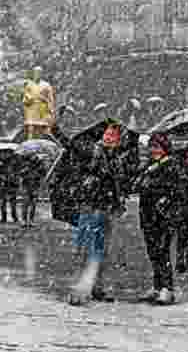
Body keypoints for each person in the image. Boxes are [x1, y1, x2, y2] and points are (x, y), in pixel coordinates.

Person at [50, 121, 132, 304]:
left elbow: (121, 183)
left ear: (119, 140)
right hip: (91, 206)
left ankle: (98, 287)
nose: (109, 137)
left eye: (113, 135)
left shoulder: (119, 159)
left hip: (109, 208)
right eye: (107, 134)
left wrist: (120, 200)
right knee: (87, 249)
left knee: (104, 251)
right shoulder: (92, 152)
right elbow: (71, 146)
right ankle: (78, 289)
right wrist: (57, 131)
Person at [136, 133, 188, 305]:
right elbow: (139, 184)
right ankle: (157, 286)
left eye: (158, 147)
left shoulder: (172, 165)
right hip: (148, 214)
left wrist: (163, 196)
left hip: (163, 216)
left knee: (162, 253)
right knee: (153, 252)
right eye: (152, 147)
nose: (154, 150)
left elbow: (180, 190)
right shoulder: (149, 165)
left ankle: (167, 288)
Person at [0, 149, 19, 224]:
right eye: (4, 153)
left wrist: (13, 177)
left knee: (12, 201)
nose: (5, 155)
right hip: (3, 184)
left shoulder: (14, 160)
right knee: (3, 201)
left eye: (7, 153)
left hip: (11, 183)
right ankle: (4, 217)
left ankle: (13, 216)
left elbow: (17, 171)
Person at [19, 154, 45, 229]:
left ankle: (31, 220)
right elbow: (21, 174)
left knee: (33, 204)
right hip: (26, 185)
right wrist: (25, 170)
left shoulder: (39, 164)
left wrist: (40, 168)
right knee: (25, 203)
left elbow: (43, 174)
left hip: (35, 186)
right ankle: (24, 220)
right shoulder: (25, 163)